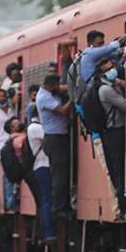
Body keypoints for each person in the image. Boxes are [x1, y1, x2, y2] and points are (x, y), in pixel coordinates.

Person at [96, 56, 126, 221]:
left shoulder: (112, 84)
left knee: (120, 169)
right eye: (107, 69)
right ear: (102, 73)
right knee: (118, 170)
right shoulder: (105, 90)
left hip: (116, 131)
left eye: (113, 67)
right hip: (114, 133)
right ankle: (125, 207)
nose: (112, 71)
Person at [37, 73, 74, 220]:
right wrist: (73, 98)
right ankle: (60, 207)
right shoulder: (45, 98)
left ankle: (62, 205)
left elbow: (62, 89)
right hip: (55, 139)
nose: (59, 88)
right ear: (51, 85)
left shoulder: (48, 92)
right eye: (57, 86)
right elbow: (64, 111)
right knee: (60, 175)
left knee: (61, 173)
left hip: (57, 137)